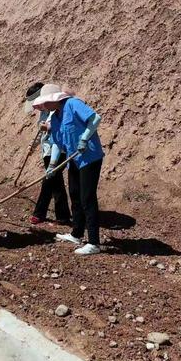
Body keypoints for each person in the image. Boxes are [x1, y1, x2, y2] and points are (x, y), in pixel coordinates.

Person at [33, 90, 104, 255]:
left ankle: (94, 242)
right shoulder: (55, 117)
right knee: (74, 194)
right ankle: (77, 234)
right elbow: (58, 143)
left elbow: (95, 118)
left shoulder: (72, 104)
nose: (43, 107)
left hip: (89, 157)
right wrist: (51, 165)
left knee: (87, 197)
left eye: (45, 104)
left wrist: (85, 138)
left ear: (54, 100)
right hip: (75, 159)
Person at [24, 83, 71, 225]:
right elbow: (42, 132)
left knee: (48, 181)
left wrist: (48, 127)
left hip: (58, 149)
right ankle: (63, 215)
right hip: (47, 150)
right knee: (56, 183)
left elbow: (58, 130)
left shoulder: (56, 109)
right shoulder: (44, 111)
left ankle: (39, 213)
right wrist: (32, 146)